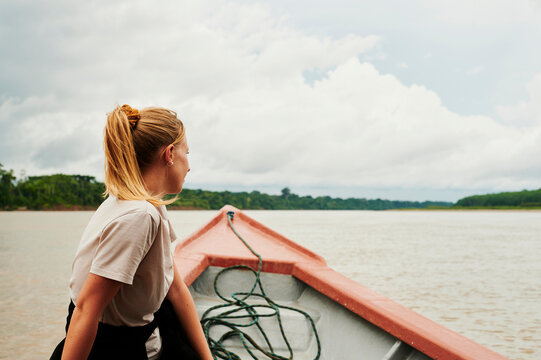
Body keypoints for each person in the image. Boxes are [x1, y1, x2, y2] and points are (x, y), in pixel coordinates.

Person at [50, 105, 213, 360]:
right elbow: (86, 309)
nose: (189, 166)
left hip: (143, 329)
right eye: (187, 153)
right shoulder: (139, 216)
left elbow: (176, 288)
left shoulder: (147, 203)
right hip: (112, 348)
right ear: (169, 154)